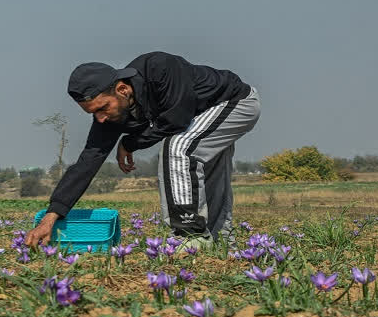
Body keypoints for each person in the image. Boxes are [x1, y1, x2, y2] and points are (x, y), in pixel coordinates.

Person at [26, 52, 260, 250]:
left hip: (235, 102)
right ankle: (220, 241)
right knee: (209, 174)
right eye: (93, 113)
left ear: (122, 89)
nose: (101, 117)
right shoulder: (110, 116)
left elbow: (176, 119)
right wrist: (52, 216)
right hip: (200, 119)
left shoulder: (160, 68)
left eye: (103, 107)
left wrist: (130, 143)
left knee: (178, 147)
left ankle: (190, 235)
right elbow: (88, 161)